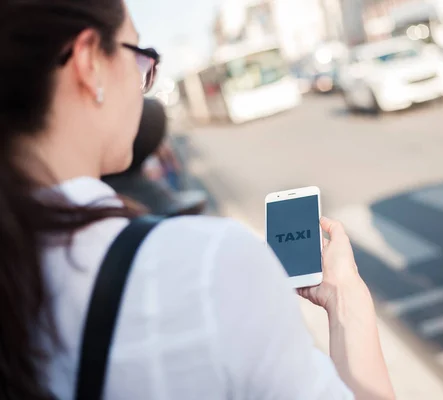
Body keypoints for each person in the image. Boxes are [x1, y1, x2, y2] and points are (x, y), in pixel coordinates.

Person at [0, 1, 395, 399]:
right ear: (89, 63)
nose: (144, 84)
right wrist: (345, 299)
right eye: (140, 59)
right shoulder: (208, 267)